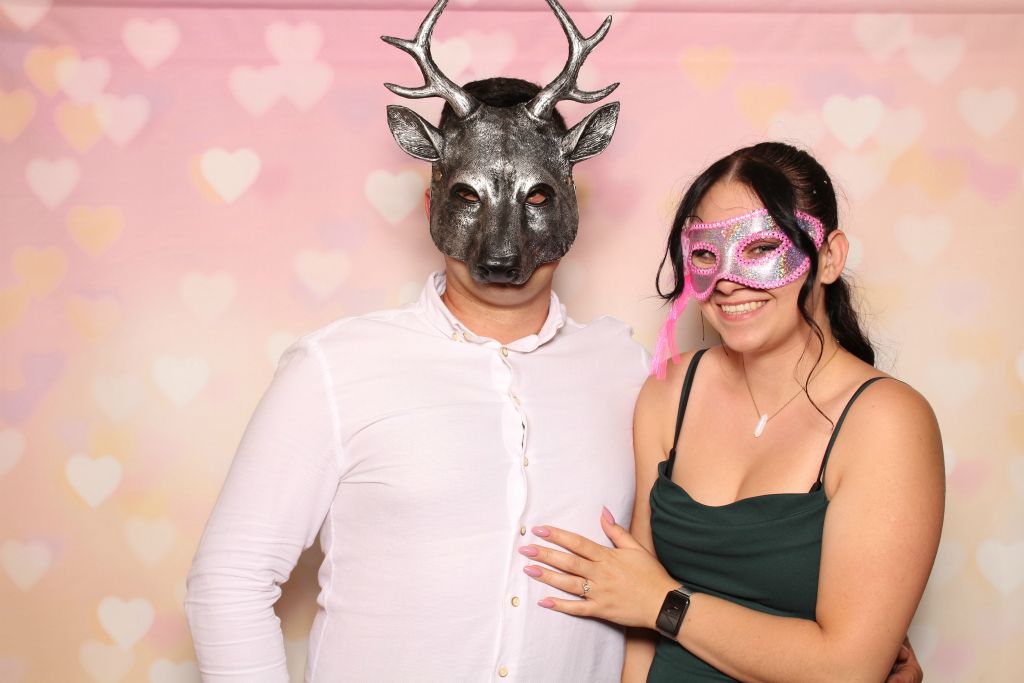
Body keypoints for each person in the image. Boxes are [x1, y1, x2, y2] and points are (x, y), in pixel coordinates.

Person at [518, 142, 944, 682]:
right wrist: (645, 603)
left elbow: (848, 669)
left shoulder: (886, 422)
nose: (726, 279)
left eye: (761, 248)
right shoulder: (669, 391)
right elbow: (636, 612)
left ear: (830, 257)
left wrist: (664, 603)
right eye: (704, 254)